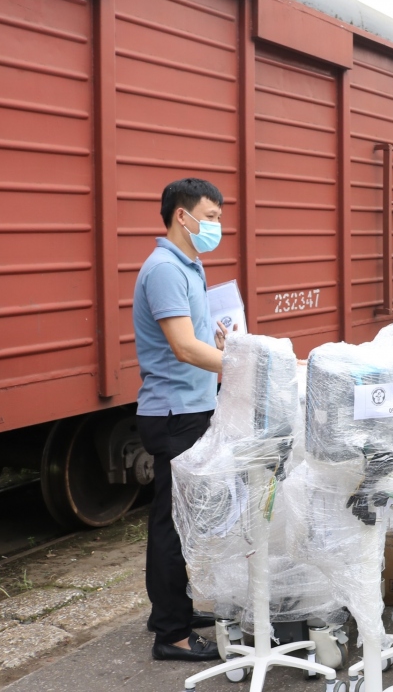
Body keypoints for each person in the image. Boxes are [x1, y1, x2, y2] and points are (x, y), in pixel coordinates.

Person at [133, 178, 234, 661]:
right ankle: (171, 634)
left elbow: (194, 342)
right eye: (211, 216)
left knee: (182, 518)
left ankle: (173, 609)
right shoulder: (165, 270)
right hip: (175, 414)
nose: (218, 225)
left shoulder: (188, 265)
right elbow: (180, 347)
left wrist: (220, 346)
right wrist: (244, 363)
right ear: (182, 216)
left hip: (189, 407)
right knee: (172, 524)